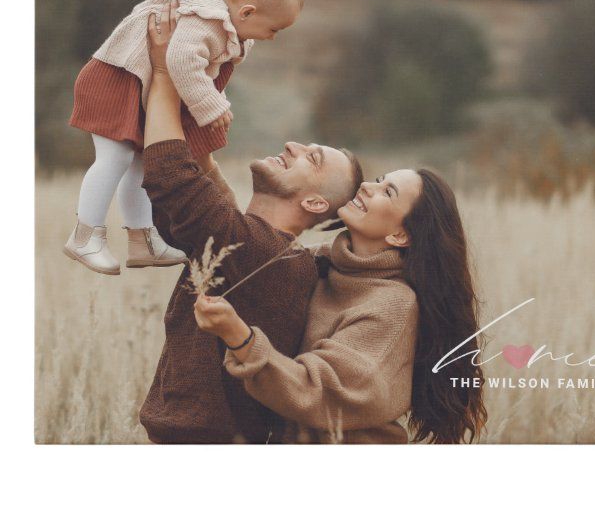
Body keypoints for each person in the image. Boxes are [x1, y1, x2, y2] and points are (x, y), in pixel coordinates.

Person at [138, 2, 364, 444]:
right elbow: (201, 206)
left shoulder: (268, 254)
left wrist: (165, 75)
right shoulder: (262, 246)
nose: (292, 144)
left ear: (316, 202)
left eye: (311, 158)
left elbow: (172, 180)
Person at [194, 168, 487, 444]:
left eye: (388, 192)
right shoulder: (321, 263)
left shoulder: (393, 304)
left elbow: (317, 392)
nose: (367, 186)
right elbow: (243, 240)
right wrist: (206, 166)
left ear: (400, 236)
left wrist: (239, 337)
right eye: (378, 179)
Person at [64, 0, 303, 275]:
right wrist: (210, 105)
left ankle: (142, 239)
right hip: (116, 79)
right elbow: (180, 61)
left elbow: (206, 70)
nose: (273, 37)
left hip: (137, 85)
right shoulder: (204, 20)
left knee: (143, 162)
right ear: (247, 12)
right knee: (115, 158)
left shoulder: (229, 24)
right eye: (274, 28)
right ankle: (85, 237)